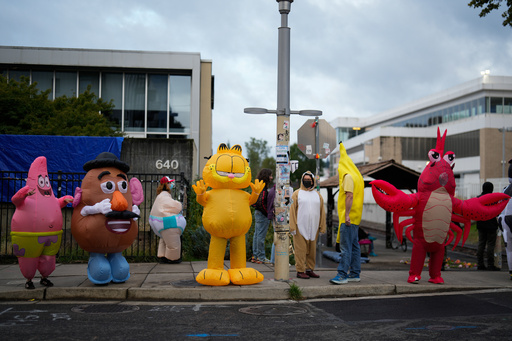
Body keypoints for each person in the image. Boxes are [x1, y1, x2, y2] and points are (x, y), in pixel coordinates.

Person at [330, 142, 365, 285]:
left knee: (346, 248)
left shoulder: (348, 177)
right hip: (356, 218)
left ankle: (342, 275)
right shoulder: (357, 176)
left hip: (349, 218)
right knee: (355, 246)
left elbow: (349, 196)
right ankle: (355, 273)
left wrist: (346, 215)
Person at [289, 171, 326, 279]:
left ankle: (309, 269)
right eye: (305, 179)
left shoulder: (317, 195)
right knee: (300, 250)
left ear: (313, 181)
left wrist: (322, 226)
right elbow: (292, 211)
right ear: (302, 180)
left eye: (309, 180)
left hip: (314, 227)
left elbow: (322, 211)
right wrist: (292, 226)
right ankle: (300, 270)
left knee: (312, 251)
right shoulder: (297, 194)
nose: (307, 181)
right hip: (300, 227)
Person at [149, 176, 187, 264]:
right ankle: (173, 258)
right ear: (167, 184)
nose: (172, 184)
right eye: (170, 183)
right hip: (167, 222)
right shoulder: (164, 196)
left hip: (159, 223)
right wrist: (179, 204)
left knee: (164, 239)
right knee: (173, 242)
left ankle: (163, 256)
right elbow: (175, 206)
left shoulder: (160, 196)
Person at [251, 168, 273, 264]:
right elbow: (261, 201)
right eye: (270, 175)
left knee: (256, 235)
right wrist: (267, 212)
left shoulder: (258, 186)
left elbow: (255, 201)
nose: (272, 177)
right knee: (260, 236)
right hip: (262, 214)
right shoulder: (263, 188)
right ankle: (261, 257)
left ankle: (255, 256)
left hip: (257, 213)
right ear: (266, 176)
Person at [476, 182, 500, 271]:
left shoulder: (478, 198)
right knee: (490, 245)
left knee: (481, 244)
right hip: (491, 224)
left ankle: (480, 264)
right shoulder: (494, 199)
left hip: (481, 224)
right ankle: (490, 264)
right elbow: (498, 211)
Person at [499, 159, 512, 280]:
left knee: (509, 248)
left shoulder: (505, 190)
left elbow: (500, 209)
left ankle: (511, 271)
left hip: (506, 219)